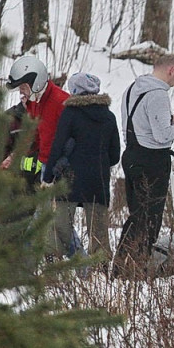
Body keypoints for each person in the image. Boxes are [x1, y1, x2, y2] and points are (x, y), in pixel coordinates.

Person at [112, 54, 174, 277]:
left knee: (137, 215)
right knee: (150, 219)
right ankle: (136, 268)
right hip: (151, 162)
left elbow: (143, 124)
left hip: (131, 155)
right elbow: (162, 137)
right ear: (171, 70)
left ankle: (122, 265)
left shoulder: (134, 88)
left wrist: (172, 118)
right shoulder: (159, 94)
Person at [43, 73, 121, 264]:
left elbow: (58, 145)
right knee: (99, 229)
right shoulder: (109, 117)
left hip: (69, 178)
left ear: (75, 91)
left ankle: (53, 260)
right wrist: (99, 164)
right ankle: (101, 270)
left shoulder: (70, 114)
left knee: (61, 223)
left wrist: (48, 175)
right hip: (98, 180)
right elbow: (115, 155)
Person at [4, 55, 69, 185]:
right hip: (46, 166)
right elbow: (34, 135)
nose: (21, 93)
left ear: (35, 82)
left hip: (62, 168)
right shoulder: (34, 102)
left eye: (23, 88)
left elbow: (73, 137)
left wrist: (59, 166)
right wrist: (14, 156)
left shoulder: (60, 102)